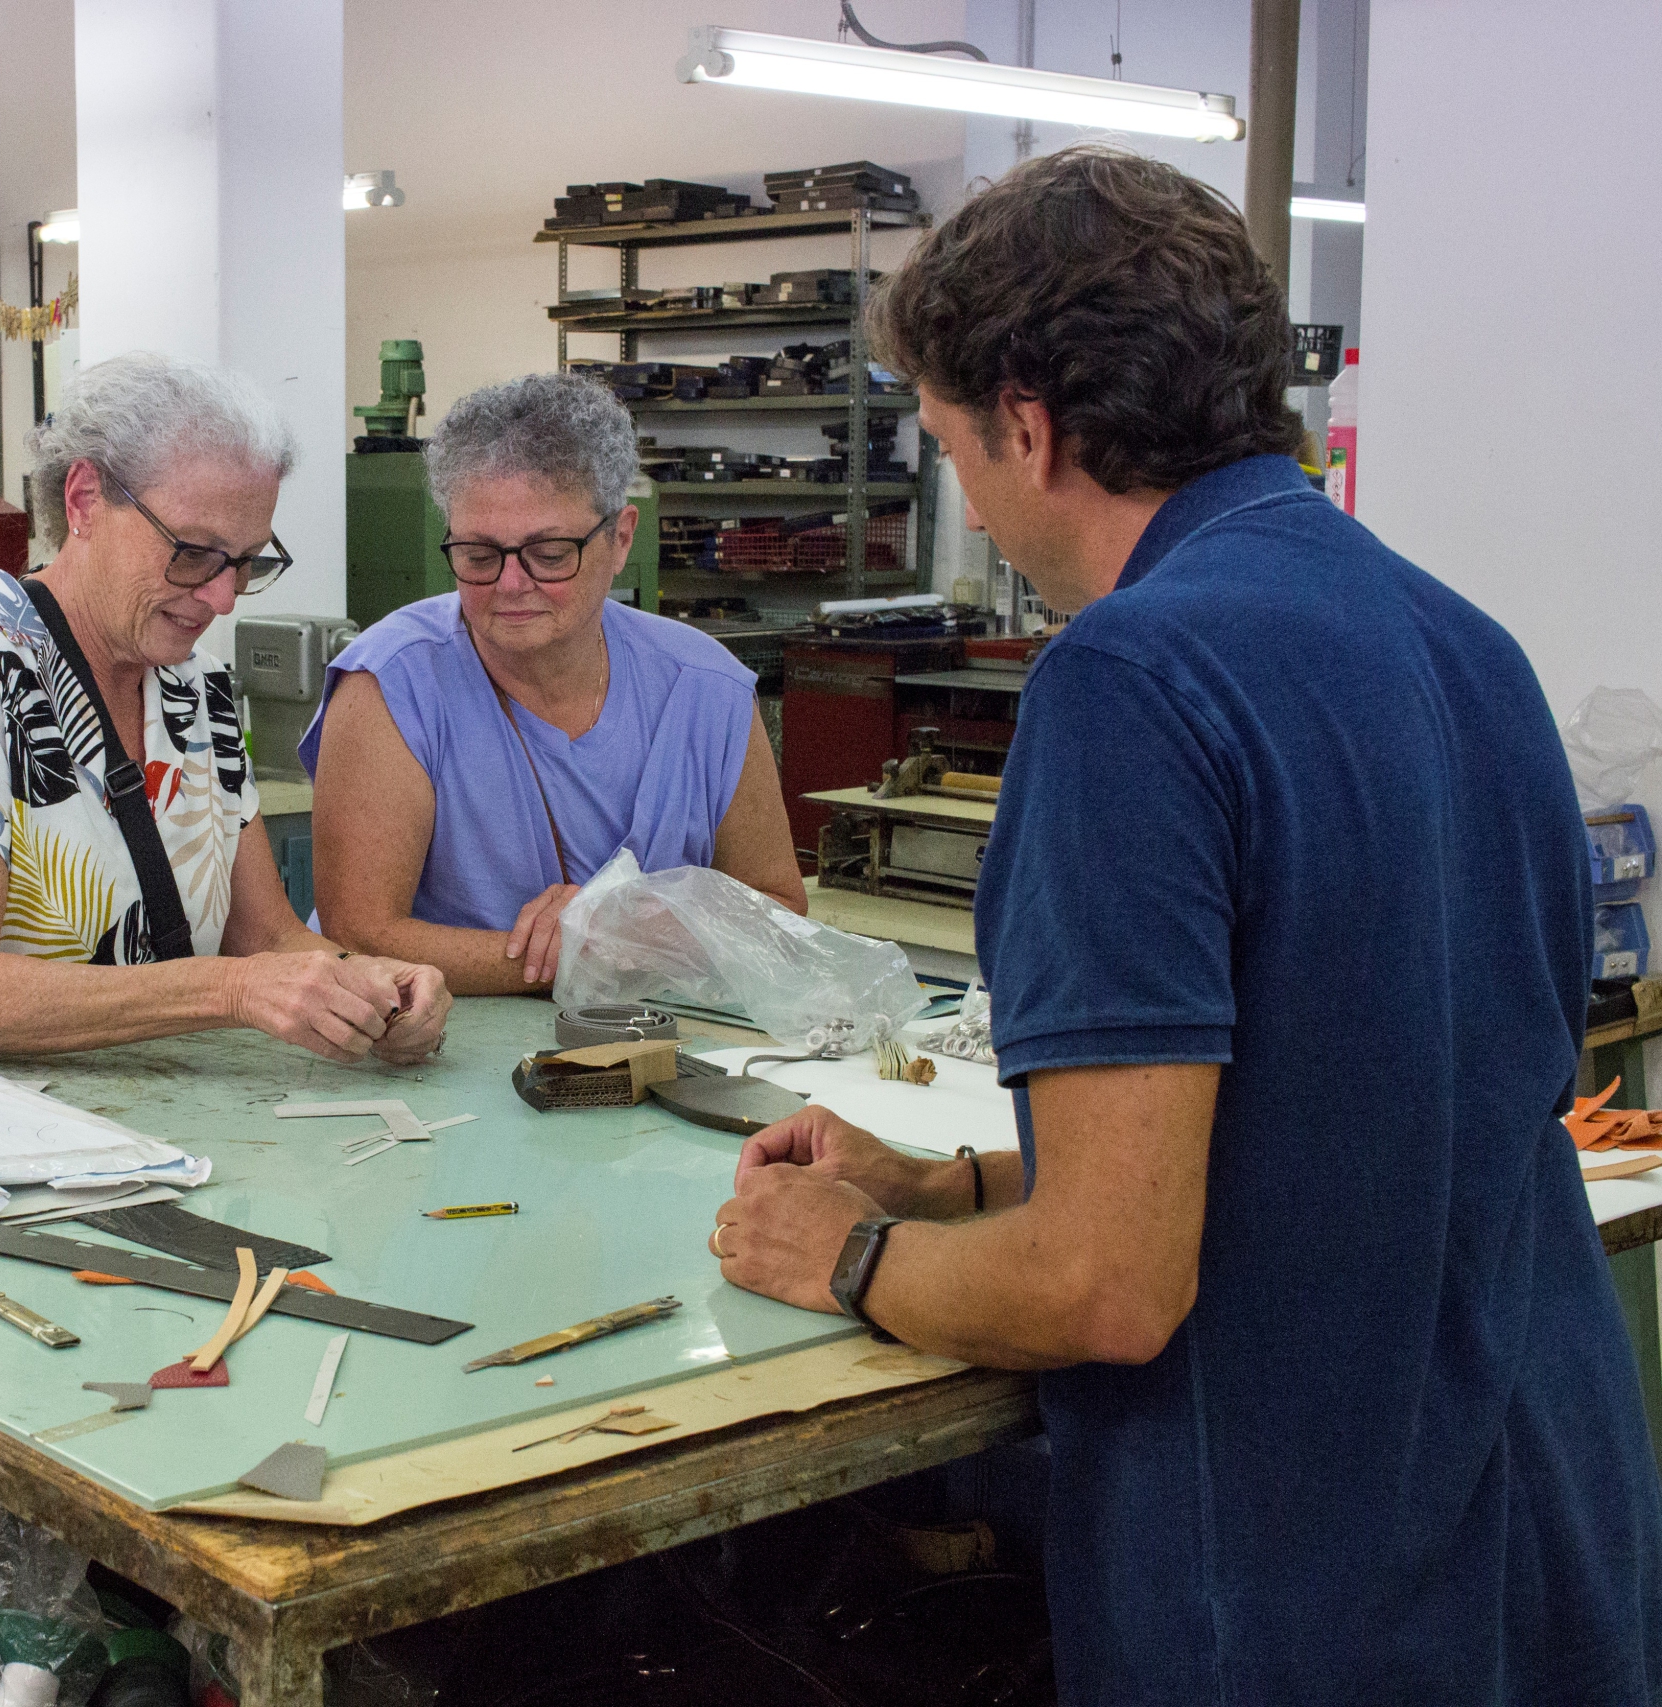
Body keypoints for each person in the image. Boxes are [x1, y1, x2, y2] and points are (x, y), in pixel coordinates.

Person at [707, 146, 1662, 1701]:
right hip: (1539, 1520)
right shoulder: (1464, 641)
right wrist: (956, 1179)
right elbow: (1357, 1117)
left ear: (1027, 422)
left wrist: (854, 1250)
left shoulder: (1130, 684)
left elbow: (1107, 1285)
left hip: (1303, 1576)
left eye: (951, 444)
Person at [0, 352, 450, 1072]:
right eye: (193, 553)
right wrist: (231, 990)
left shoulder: (194, 687)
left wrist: (373, 980)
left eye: (246, 563)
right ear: (85, 499)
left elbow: (268, 936)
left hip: (104, 1123)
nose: (220, 599)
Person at [303, 372, 803, 992]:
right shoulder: (395, 681)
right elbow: (358, 934)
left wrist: (649, 926)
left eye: (549, 554)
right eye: (479, 555)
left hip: (660, 1041)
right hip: (433, 1052)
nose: (511, 585)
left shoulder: (705, 689)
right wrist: (584, 951)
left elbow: (780, 906)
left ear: (620, 540)